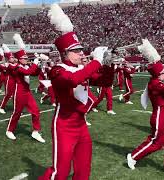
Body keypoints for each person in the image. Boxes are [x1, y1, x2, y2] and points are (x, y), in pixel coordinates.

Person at [39, 4, 107, 180]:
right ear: (65, 53)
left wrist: (109, 64)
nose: (81, 53)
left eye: (81, 50)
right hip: (63, 126)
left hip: (81, 125)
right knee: (60, 172)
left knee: (83, 168)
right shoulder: (57, 69)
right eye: (76, 51)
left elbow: (105, 81)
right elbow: (71, 80)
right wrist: (96, 62)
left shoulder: (81, 68)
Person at [127, 39, 164, 177]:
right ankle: (133, 156)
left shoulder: (158, 81)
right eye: (163, 72)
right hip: (159, 116)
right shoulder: (155, 84)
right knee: (156, 142)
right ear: (157, 74)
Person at [5, 33, 45, 143]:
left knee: (36, 111)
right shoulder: (17, 67)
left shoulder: (26, 65)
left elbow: (34, 73)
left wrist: (40, 64)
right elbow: (28, 72)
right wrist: (35, 62)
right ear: (19, 59)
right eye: (24, 58)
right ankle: (9, 130)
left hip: (27, 92)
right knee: (17, 112)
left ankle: (36, 131)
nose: (26, 59)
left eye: (26, 58)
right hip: (19, 92)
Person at [0, 44, 17, 114]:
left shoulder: (14, 63)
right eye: (11, 58)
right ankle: (1, 107)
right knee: (8, 95)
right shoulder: (9, 64)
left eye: (13, 57)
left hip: (15, 81)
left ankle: (16, 109)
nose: (13, 58)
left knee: (15, 95)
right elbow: (14, 67)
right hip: (9, 80)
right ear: (9, 59)